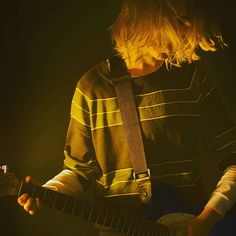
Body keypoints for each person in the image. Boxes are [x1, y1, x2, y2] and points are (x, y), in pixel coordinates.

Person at [18, 0, 236, 235]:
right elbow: (78, 171)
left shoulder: (192, 80)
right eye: (174, 20)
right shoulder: (92, 88)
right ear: (142, 16)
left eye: (185, 22)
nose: (182, 30)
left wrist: (208, 217)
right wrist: (48, 192)